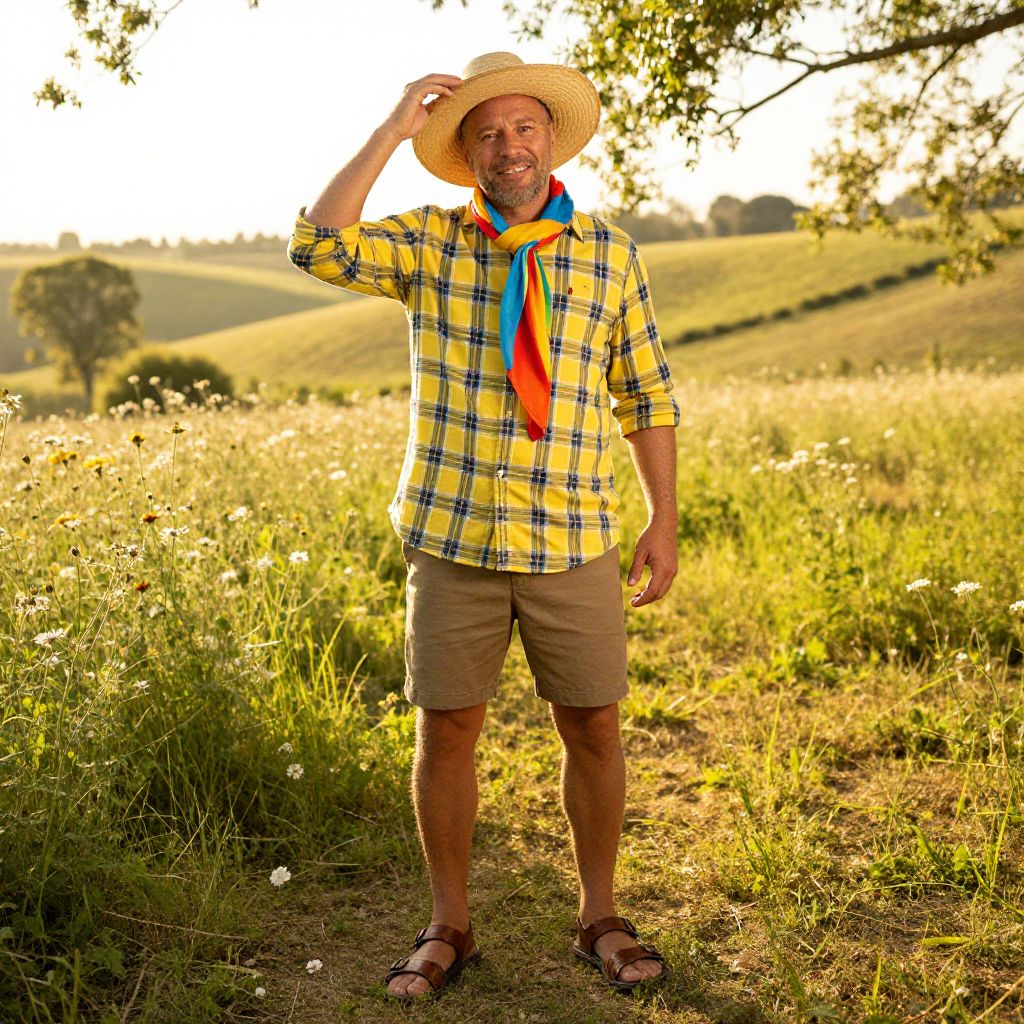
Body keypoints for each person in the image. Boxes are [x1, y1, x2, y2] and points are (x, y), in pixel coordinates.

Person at [287, 51, 680, 1002]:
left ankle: (599, 916)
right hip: (454, 537)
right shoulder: (430, 242)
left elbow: (648, 395)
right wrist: (390, 128)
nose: (510, 145)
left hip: (572, 534)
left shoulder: (609, 253)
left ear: (552, 137)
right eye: (487, 132)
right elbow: (318, 245)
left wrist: (664, 517)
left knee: (592, 724)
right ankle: (449, 926)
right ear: (467, 152)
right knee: (448, 728)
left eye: (524, 127)